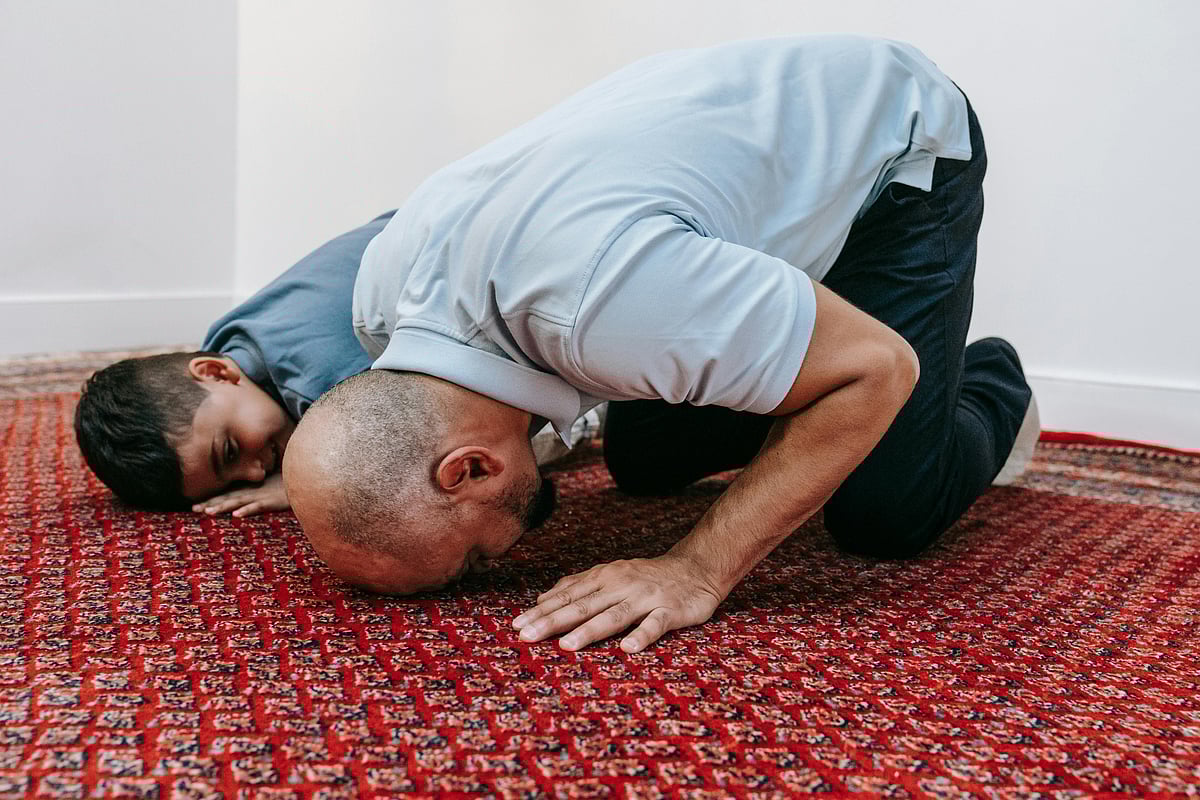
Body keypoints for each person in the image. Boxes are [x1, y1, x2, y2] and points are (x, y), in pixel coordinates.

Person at [283, 35, 1037, 654]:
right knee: (643, 457)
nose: (494, 566)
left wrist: (695, 569)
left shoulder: (603, 304)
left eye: (474, 560)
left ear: (470, 468)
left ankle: (985, 382)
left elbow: (878, 366)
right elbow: (374, 436)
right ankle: (804, 351)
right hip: (709, 166)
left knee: (886, 510)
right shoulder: (381, 300)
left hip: (896, 136)